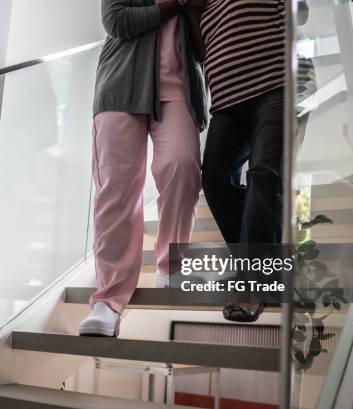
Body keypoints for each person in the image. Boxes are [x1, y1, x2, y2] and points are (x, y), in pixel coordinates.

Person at [79, 0, 209, 337]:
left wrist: (193, 12)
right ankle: (108, 300)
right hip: (121, 86)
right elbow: (117, 22)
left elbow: (205, 47)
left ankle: (172, 266)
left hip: (179, 90)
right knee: (117, 190)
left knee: (183, 166)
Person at [199, 0, 286, 322]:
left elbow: (297, 19)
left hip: (274, 88)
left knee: (264, 173)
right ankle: (262, 268)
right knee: (214, 180)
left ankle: (252, 283)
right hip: (226, 103)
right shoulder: (204, 5)